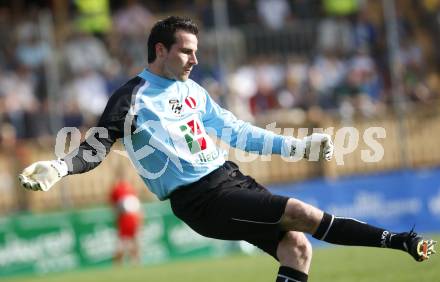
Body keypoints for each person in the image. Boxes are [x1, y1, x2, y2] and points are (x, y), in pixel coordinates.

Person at [18, 16, 435, 282]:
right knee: (303, 214)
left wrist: (299, 148)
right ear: (160, 50)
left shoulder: (193, 90)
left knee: (297, 249)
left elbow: (238, 131)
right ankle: (399, 241)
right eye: (186, 51)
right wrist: (60, 167)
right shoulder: (132, 97)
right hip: (200, 199)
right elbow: (98, 145)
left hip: (230, 177)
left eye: (196, 53)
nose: (194, 60)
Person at [110, 171, 142, 265]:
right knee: (130, 240)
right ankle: (134, 261)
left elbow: (114, 207)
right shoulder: (129, 189)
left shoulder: (117, 189)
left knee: (125, 241)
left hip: (127, 218)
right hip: (131, 217)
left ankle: (123, 262)